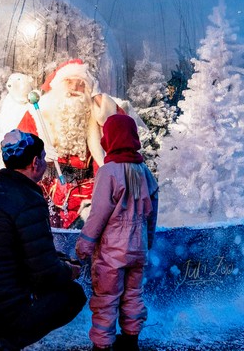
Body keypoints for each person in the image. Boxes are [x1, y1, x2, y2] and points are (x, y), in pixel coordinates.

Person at [0, 130, 87, 351]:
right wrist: (70, 271)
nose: (44, 163)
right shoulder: (28, 199)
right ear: (35, 162)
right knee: (72, 296)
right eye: (43, 158)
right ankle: (3, 346)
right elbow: (45, 274)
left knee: (3, 290)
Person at [75, 114, 159, 351]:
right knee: (133, 294)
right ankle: (131, 341)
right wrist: (148, 240)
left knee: (107, 299)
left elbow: (99, 213)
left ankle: (102, 345)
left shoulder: (108, 171)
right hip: (138, 249)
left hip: (112, 251)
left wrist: (85, 243)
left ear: (109, 139)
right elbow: (152, 212)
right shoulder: (144, 171)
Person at [17, 59, 126, 228]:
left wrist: (98, 98)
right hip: (47, 191)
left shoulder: (95, 113)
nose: (75, 88)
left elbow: (122, 127)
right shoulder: (38, 113)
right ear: (58, 85)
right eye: (69, 82)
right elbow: (17, 149)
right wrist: (40, 152)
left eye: (81, 84)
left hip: (88, 193)